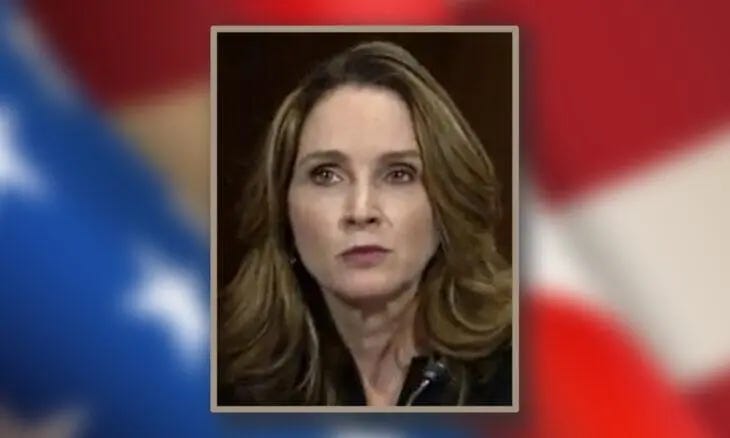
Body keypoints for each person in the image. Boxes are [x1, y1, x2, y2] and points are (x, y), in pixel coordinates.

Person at [218, 40, 512, 406]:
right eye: (326, 175)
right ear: (281, 209)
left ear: (447, 205)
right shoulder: (223, 386)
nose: (360, 211)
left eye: (399, 174)